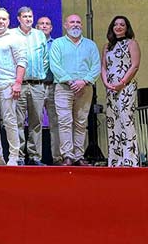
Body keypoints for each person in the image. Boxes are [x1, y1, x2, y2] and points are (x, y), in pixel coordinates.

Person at [50, 14, 100, 166]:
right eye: (72, 22)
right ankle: (67, 156)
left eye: (78, 22)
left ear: (82, 26)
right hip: (64, 88)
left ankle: (79, 155)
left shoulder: (90, 45)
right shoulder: (58, 44)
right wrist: (71, 81)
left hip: (85, 89)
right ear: (65, 25)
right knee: (65, 122)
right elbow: (55, 65)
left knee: (81, 123)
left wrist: (83, 81)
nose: (75, 25)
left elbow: (96, 66)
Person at [0, 9, 26, 166]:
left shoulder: (15, 38)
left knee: (9, 120)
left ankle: (14, 156)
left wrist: (18, 83)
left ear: (8, 22)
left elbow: (22, 61)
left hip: (8, 84)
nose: (1, 22)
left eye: (4, 19)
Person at [101, 16, 141, 167]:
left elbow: (135, 66)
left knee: (126, 120)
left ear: (127, 27)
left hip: (126, 87)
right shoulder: (107, 46)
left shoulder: (132, 43)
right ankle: (116, 160)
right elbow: (103, 67)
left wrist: (122, 83)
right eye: (115, 24)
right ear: (112, 27)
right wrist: (106, 82)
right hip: (111, 89)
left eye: (122, 25)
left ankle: (130, 160)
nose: (118, 27)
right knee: (113, 122)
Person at [12, 6, 48, 166]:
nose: (28, 19)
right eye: (25, 16)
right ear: (18, 18)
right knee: (18, 122)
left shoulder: (40, 35)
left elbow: (45, 59)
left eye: (30, 16)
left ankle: (35, 157)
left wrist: (40, 75)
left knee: (36, 122)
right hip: (19, 85)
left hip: (37, 85)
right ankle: (19, 156)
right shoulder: (11, 35)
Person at [36, 16, 61, 165]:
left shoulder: (57, 44)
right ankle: (36, 158)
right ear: (37, 27)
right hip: (37, 86)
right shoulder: (31, 44)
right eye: (41, 24)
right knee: (36, 123)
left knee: (56, 123)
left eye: (47, 24)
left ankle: (58, 158)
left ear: (51, 28)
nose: (44, 26)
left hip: (53, 87)